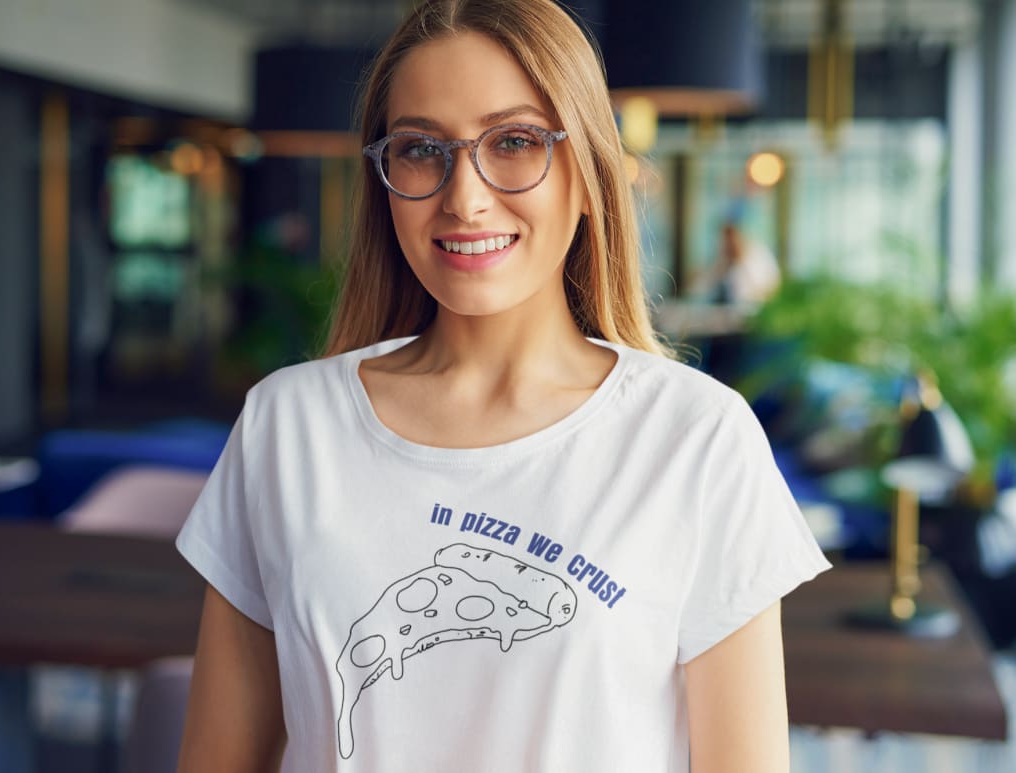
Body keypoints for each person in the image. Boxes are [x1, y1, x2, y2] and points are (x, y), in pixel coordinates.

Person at [175, 1, 830, 771]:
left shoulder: (696, 438)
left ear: (588, 175)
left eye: (515, 141)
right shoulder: (286, 424)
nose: (465, 196)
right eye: (421, 149)